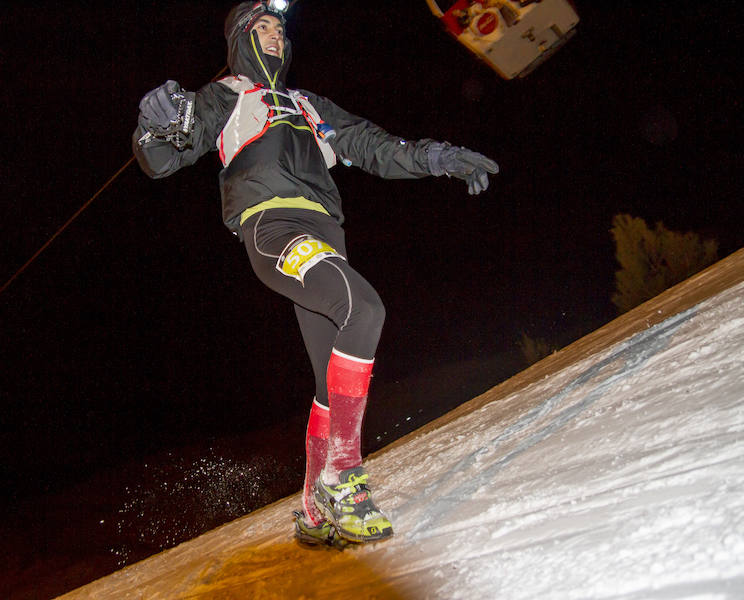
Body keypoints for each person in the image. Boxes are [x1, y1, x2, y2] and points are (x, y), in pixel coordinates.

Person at [132, 1, 498, 546]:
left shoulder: (308, 105)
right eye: (262, 28)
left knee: (332, 375)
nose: (275, 36)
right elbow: (163, 157)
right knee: (365, 308)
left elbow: (372, 147)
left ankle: (312, 507)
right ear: (240, 38)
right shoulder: (226, 97)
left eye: (280, 29)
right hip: (273, 228)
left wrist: (437, 158)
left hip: (326, 237)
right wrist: (154, 126)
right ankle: (342, 476)